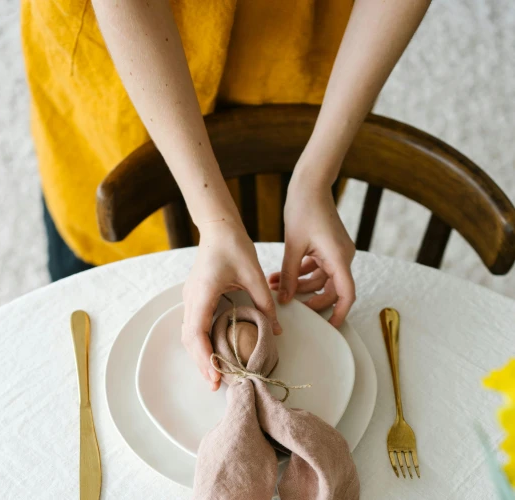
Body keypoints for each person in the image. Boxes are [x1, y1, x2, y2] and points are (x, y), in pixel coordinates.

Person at [22, 0, 431, 388]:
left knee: (266, 248)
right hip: (131, 53)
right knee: (97, 313)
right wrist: (216, 220)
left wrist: (314, 175)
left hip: (289, 41)